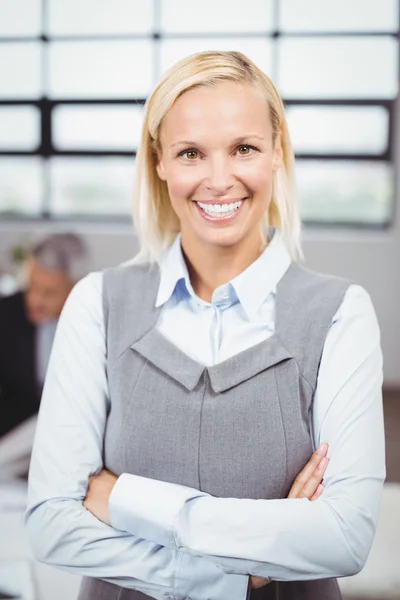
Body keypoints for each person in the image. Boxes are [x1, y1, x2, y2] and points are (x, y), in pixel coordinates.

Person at [25, 51, 385, 600]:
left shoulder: (340, 312)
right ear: (160, 163)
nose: (220, 180)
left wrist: (125, 501)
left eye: (244, 148)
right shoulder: (97, 303)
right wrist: (248, 569)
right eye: (191, 153)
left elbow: (344, 537)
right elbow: (52, 525)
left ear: (276, 154)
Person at [0, 233, 88, 439]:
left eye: (48, 293)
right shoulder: (6, 313)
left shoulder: (95, 322)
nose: (34, 301)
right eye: (31, 287)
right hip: (15, 433)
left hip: (73, 431)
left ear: (75, 286)